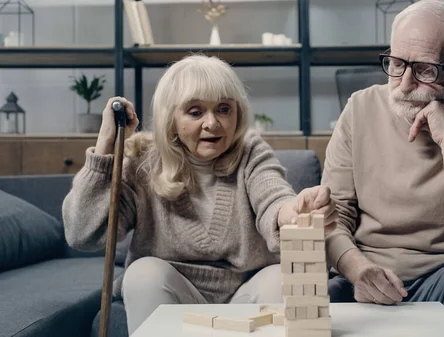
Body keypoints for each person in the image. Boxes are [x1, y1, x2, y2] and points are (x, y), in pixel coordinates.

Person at [62, 54, 338, 334]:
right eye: (196, 112)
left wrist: (293, 213)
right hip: (174, 294)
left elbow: (273, 198)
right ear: (171, 118)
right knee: (142, 274)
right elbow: (82, 234)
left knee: (282, 277)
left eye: (223, 109)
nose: (212, 123)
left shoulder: (250, 152)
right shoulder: (141, 161)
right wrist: (105, 146)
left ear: (237, 113)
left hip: (244, 293)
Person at [323, 1, 444, 336]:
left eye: (425, 69)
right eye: (396, 64)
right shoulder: (359, 109)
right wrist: (357, 269)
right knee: (310, 301)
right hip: (366, 271)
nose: (403, 84)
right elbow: (333, 216)